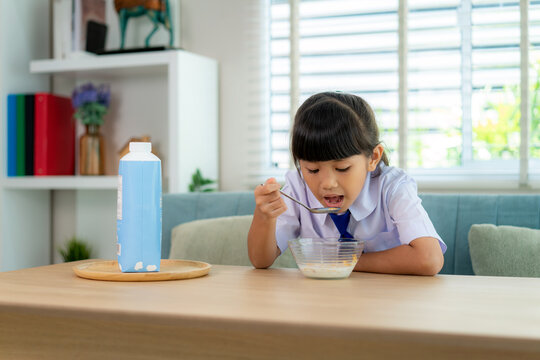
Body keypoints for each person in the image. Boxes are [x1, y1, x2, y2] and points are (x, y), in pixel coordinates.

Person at [247, 92, 446, 275]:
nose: (327, 184)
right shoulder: (298, 187)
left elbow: (429, 259)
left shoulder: (392, 187)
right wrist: (264, 217)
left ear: (373, 158)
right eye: (313, 170)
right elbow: (261, 260)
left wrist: (342, 261)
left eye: (342, 168)